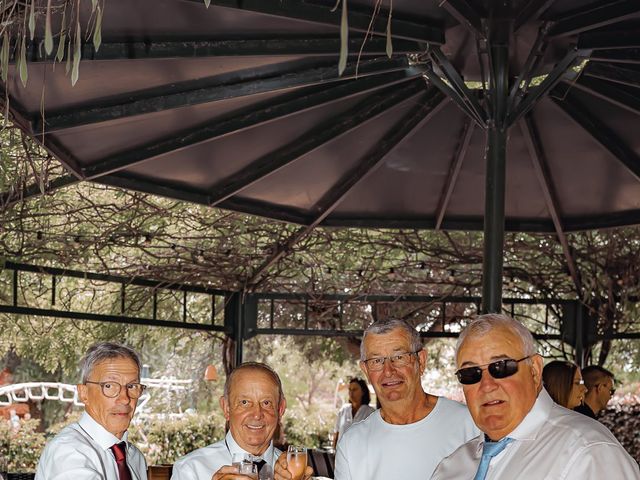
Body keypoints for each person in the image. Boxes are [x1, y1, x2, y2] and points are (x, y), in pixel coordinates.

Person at [430, 313, 640, 479]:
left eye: (501, 367)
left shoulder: (587, 452)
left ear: (535, 370)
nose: (487, 385)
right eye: (470, 373)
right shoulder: (452, 467)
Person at [334, 318, 478, 480]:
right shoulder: (351, 444)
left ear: (421, 361)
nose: (388, 371)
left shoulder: (470, 424)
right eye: (376, 361)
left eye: (399, 357)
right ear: (366, 371)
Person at [172, 362, 313, 480]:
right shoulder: (190, 470)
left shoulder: (294, 473)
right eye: (244, 402)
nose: (257, 414)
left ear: (280, 409)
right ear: (226, 408)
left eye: (266, 403)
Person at [36, 342, 148, 480]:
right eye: (109, 386)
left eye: (132, 386)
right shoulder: (69, 453)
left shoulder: (135, 458)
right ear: (84, 393)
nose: (124, 399)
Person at [332, 378, 375, 449]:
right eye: (350, 389)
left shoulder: (370, 412)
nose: (351, 393)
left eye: (355, 389)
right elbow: (336, 435)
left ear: (363, 391)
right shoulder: (343, 410)